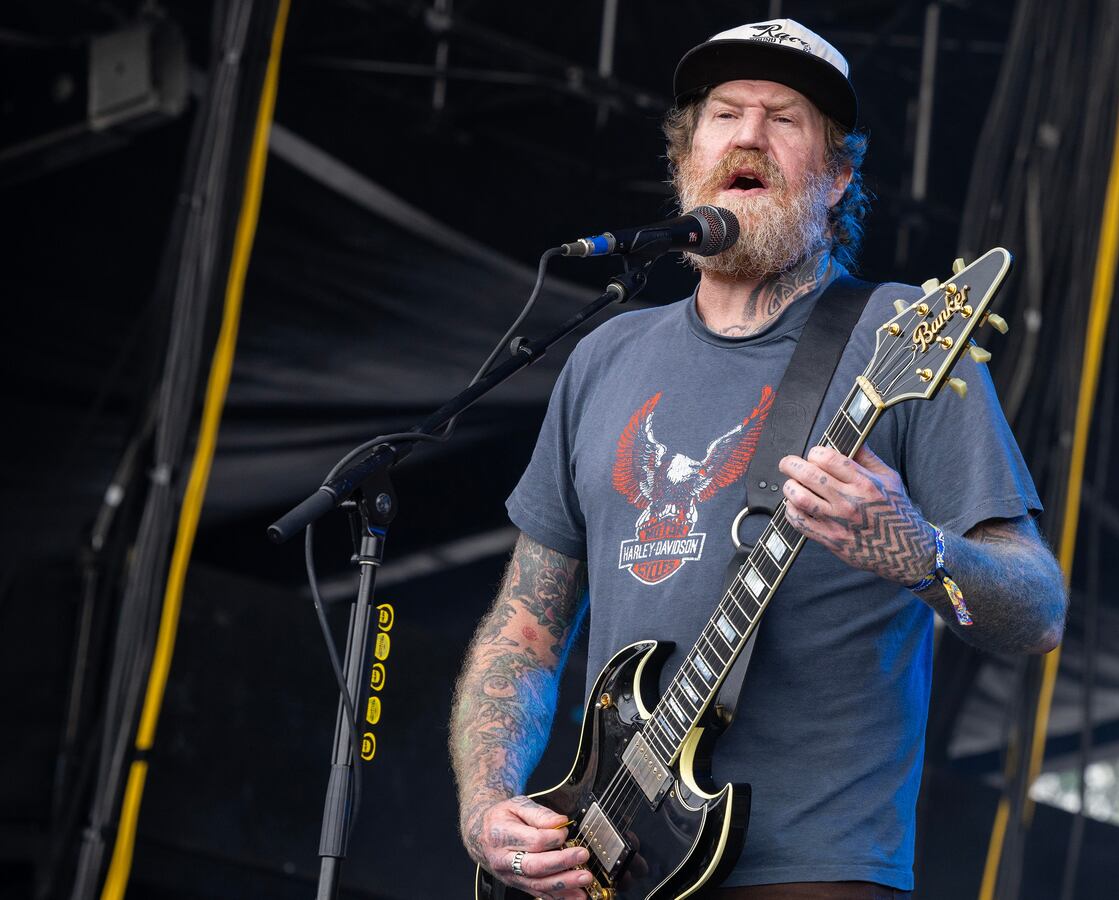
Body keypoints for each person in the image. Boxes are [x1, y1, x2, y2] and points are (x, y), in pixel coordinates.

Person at [449, 18, 1066, 900]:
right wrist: (487, 809)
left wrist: (919, 552)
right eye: (724, 114)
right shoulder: (606, 357)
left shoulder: (899, 337)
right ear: (686, 158)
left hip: (814, 872)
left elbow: (1036, 612)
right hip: (605, 867)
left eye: (784, 118)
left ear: (839, 173)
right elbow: (524, 636)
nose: (747, 133)